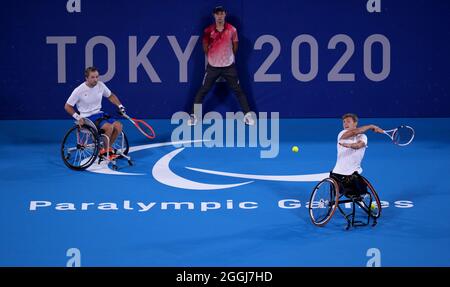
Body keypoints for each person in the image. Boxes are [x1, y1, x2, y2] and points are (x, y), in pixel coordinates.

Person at [188, 5, 254, 126]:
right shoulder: (208, 31)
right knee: (203, 91)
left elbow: (235, 47)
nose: (219, 16)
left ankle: (248, 116)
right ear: (214, 15)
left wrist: (227, 58)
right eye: (217, 14)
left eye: (221, 13)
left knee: (239, 91)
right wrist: (213, 58)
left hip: (229, 67)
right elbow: (205, 47)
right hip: (212, 67)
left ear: (225, 14)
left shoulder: (232, 30)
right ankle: (194, 116)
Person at [64, 67, 126, 160]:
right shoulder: (79, 90)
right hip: (87, 118)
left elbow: (111, 96)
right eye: (92, 77)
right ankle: (105, 151)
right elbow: (67, 106)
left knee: (118, 126)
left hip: (99, 114)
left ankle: (106, 149)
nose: (95, 79)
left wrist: (120, 106)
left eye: (97, 77)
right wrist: (78, 117)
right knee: (109, 127)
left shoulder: (100, 85)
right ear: (86, 78)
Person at [331, 113, 384, 196]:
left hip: (353, 175)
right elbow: (354, 132)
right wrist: (371, 126)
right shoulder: (342, 134)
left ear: (355, 123)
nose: (345, 124)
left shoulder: (363, 137)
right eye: (344, 122)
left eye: (348, 121)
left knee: (362, 194)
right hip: (338, 174)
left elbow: (359, 145)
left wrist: (350, 145)